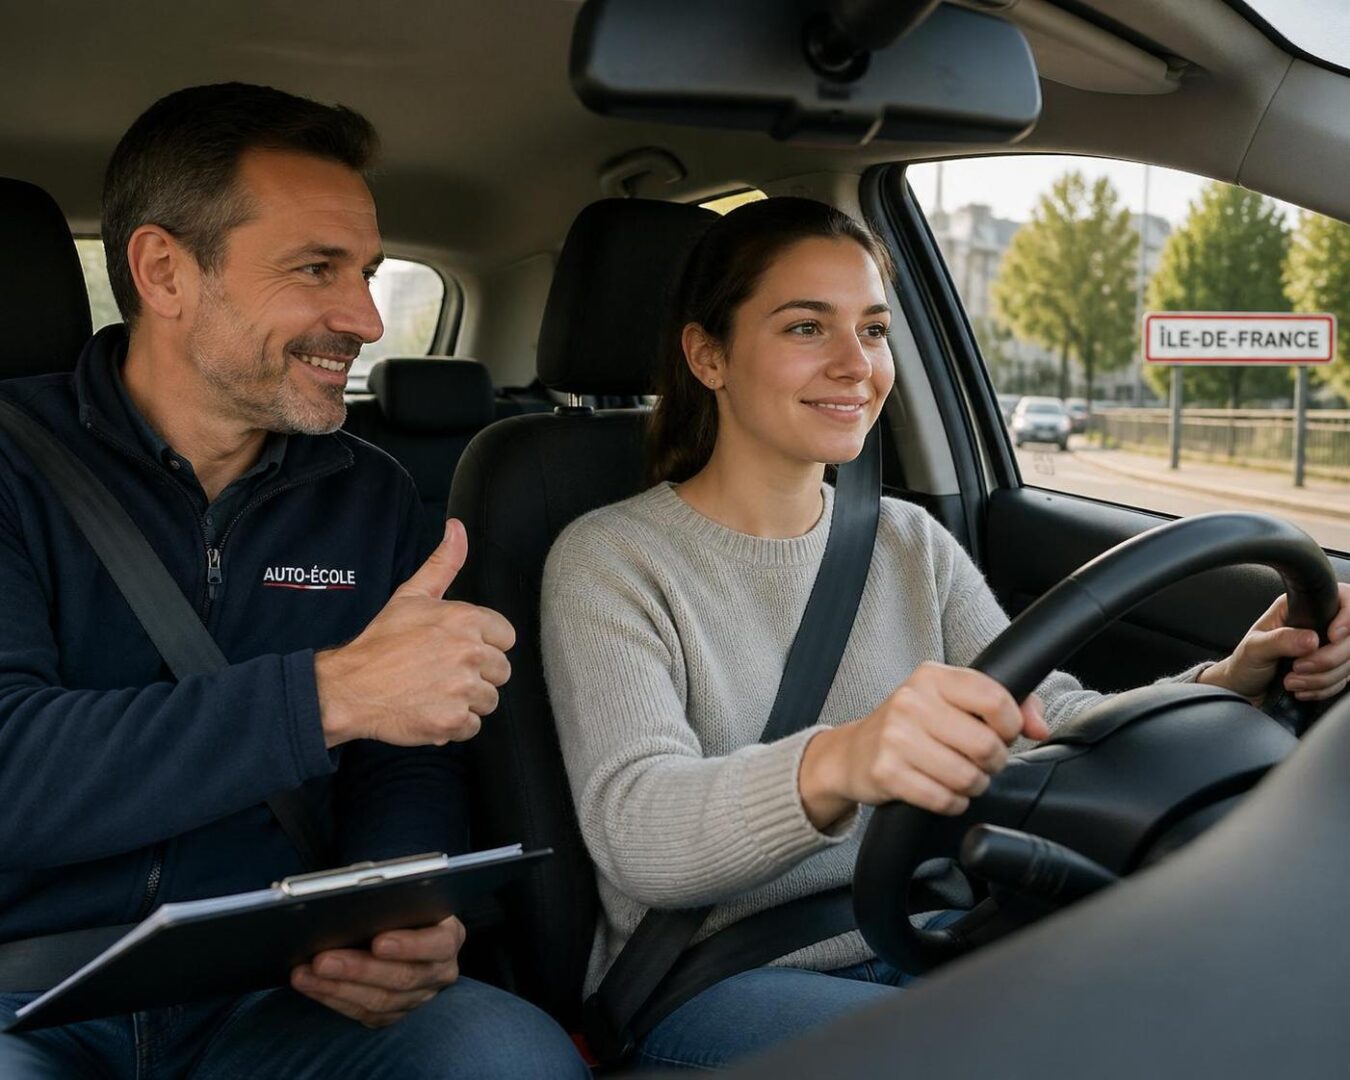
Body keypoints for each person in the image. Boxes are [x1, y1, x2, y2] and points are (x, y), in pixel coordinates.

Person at [540, 196, 1350, 1071]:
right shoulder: (611, 559)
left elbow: (1047, 716)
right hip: (717, 978)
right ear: (708, 355)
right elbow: (638, 829)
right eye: (807, 327)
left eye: (876, 329)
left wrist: (1225, 681)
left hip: (926, 922)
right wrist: (843, 760)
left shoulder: (906, 541)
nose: (858, 365)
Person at [0, 84, 586, 1078]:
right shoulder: (14, 464)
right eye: (316, 269)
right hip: (29, 995)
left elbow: (405, 762)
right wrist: (331, 693)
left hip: (274, 994)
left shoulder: (370, 494)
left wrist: (398, 906)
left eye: (367, 272)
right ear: (163, 271)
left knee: (506, 1055)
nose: (361, 317)